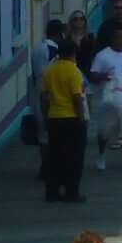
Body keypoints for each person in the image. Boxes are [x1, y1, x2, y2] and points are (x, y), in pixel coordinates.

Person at [87, 21, 122, 175]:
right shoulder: (102, 55)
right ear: (112, 38)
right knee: (104, 131)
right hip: (108, 99)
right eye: (117, 37)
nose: (120, 40)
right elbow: (93, 74)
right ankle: (101, 156)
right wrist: (104, 76)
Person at [38, 38, 88, 203]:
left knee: (55, 156)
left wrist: (46, 117)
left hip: (54, 118)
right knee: (74, 157)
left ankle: (52, 191)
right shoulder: (74, 72)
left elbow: (44, 97)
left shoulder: (49, 71)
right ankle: (71, 191)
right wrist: (82, 119)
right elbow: (77, 98)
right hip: (72, 119)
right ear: (74, 53)